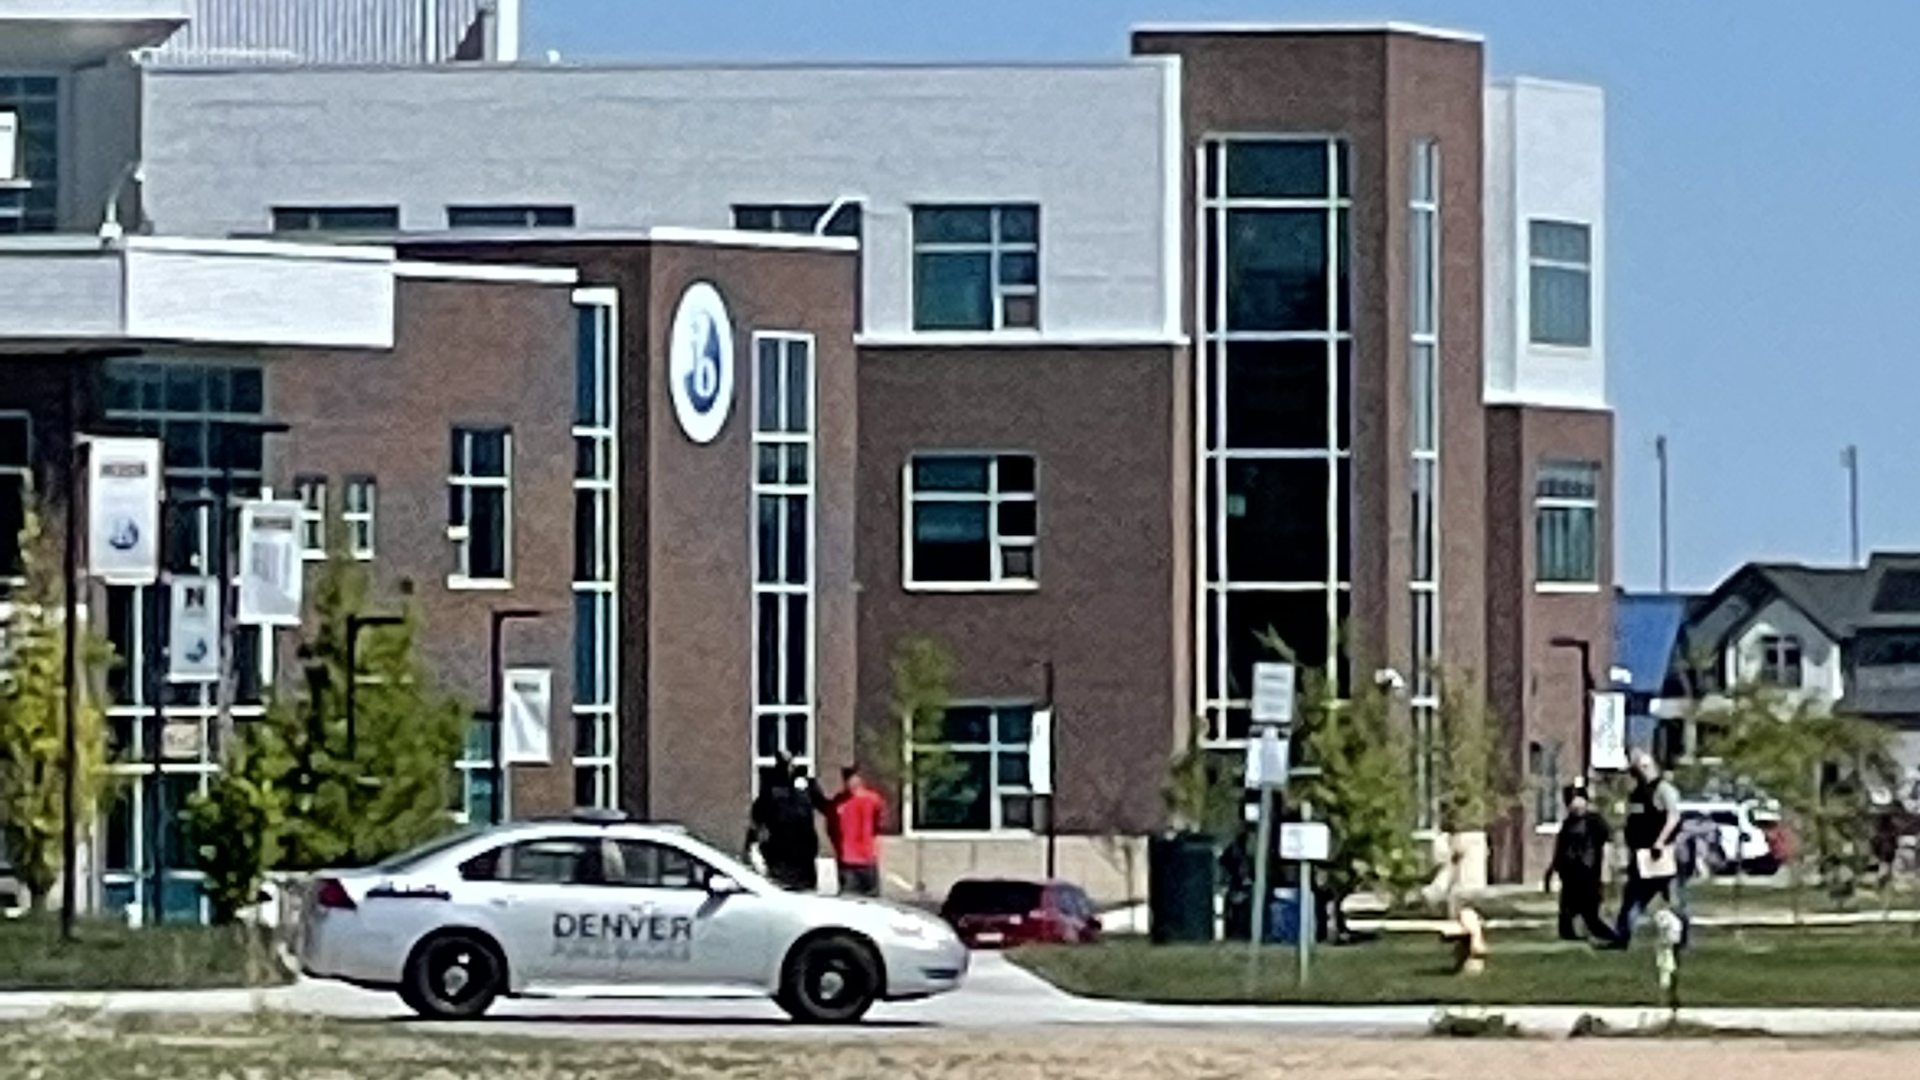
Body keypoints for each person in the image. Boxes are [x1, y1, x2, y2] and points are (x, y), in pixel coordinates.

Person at [1601, 749, 1683, 950]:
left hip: (1661, 855)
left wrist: (1660, 842)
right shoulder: (1637, 793)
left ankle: (1681, 937)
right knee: (1633, 898)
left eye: (1640, 769)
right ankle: (1622, 937)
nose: (1637, 774)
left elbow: (1673, 818)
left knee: (1672, 898)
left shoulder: (1664, 790)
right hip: (1640, 856)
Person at [1544, 780, 1616, 944]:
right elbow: (1560, 849)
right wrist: (1551, 871)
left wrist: (1606, 872)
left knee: (1590, 915)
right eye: (1570, 802)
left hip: (1589, 874)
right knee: (1566, 917)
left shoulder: (1595, 822)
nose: (1574, 806)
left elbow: (1607, 845)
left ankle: (1613, 937)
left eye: (1577, 800)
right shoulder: (1568, 823)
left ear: (1585, 800)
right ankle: (1573, 936)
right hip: (1569, 875)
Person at [747, 754, 821, 892]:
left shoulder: (805, 788)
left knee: (805, 891)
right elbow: (756, 821)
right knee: (783, 889)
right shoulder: (771, 791)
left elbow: (824, 806)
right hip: (781, 853)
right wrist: (752, 846)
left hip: (803, 853)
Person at [826, 765, 885, 897]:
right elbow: (831, 828)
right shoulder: (839, 802)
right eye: (847, 778)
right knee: (852, 900)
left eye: (852, 778)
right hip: (848, 860)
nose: (849, 782)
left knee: (869, 901)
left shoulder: (872, 800)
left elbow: (879, 824)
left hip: (866, 858)